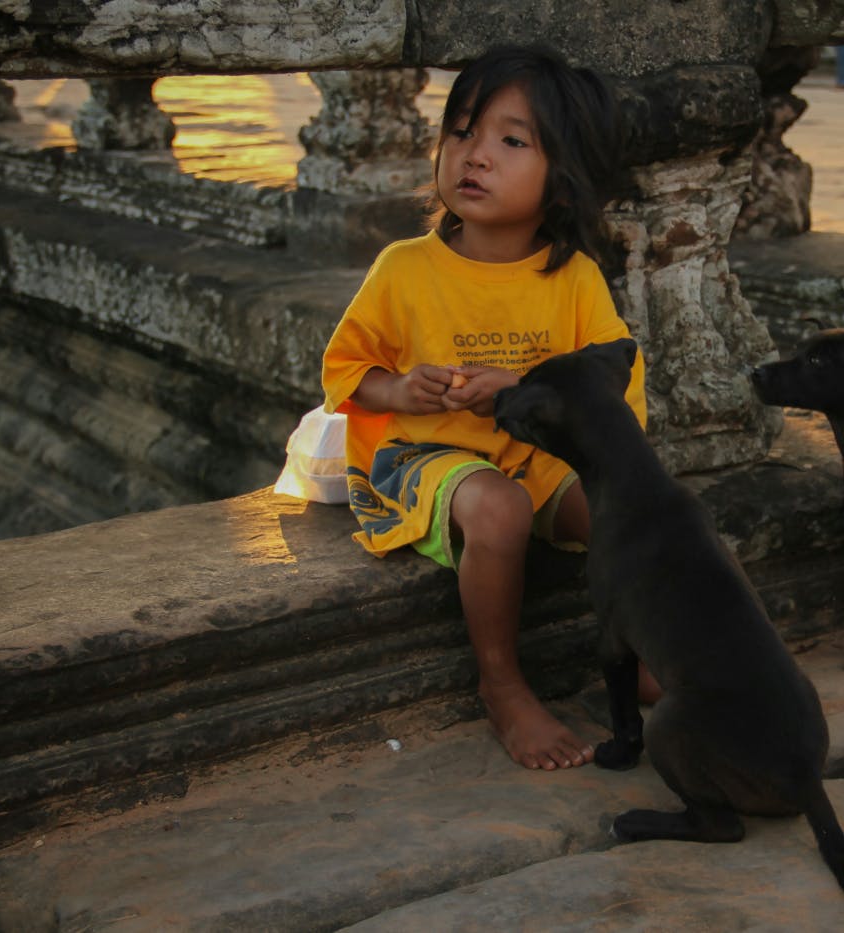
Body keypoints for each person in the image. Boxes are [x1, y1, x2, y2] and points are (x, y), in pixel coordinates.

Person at [321, 45, 647, 771]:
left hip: (532, 453)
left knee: (627, 505)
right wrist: (400, 388)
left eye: (510, 140)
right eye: (462, 130)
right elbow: (348, 369)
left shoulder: (574, 277)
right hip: (419, 454)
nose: (475, 155)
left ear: (560, 181)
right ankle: (501, 683)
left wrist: (521, 388)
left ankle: (654, 646)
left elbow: (614, 384)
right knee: (498, 510)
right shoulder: (405, 267)